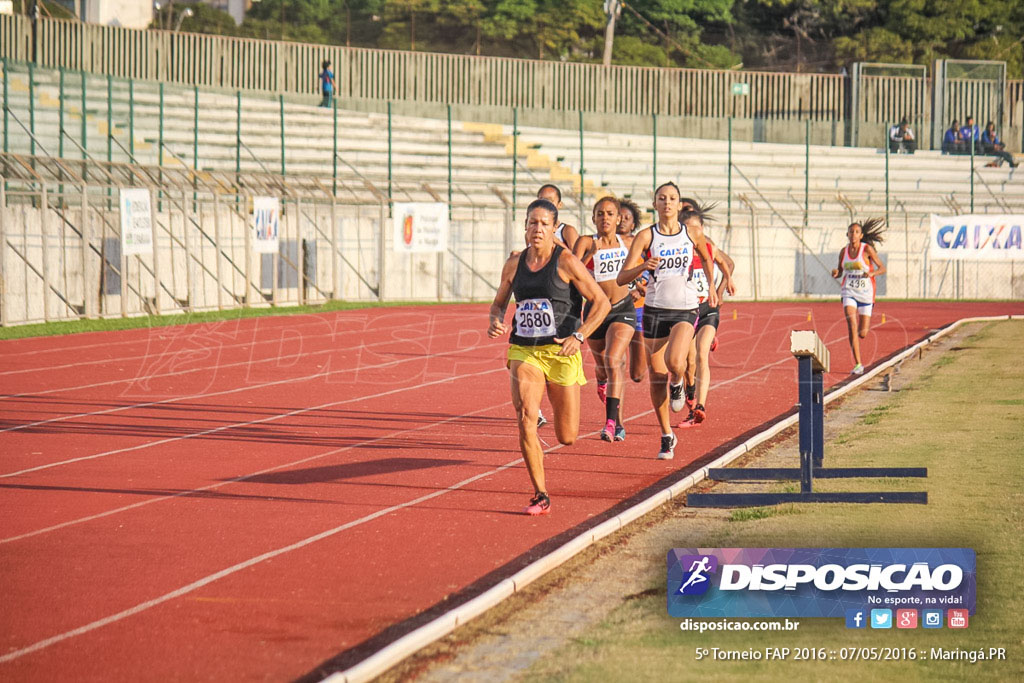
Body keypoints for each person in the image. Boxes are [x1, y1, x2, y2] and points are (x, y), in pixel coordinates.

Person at [488, 198, 610, 515]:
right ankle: (540, 494)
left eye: (544, 223)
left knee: (566, 436)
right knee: (526, 416)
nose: (537, 228)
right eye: (532, 222)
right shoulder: (514, 263)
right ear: (525, 226)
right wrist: (496, 319)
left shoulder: (567, 261)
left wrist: (579, 335)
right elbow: (499, 302)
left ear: (555, 228)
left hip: (561, 351)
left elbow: (601, 303)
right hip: (524, 349)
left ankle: (557, 424)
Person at [616, 182, 717, 460]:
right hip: (654, 310)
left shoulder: (692, 233)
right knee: (656, 376)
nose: (667, 203)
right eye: (662, 198)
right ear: (655, 204)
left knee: (675, 362)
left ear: (678, 203)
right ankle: (666, 435)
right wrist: (642, 267)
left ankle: (679, 383)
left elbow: (708, 259)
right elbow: (622, 278)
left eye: (672, 198)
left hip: (685, 307)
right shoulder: (646, 237)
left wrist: (711, 287)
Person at [574, 197, 635, 441]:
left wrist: (638, 283)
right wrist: (589, 254)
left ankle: (612, 423)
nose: (605, 218)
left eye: (610, 214)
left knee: (614, 360)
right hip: (595, 312)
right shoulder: (587, 242)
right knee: (602, 366)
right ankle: (602, 382)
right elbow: (570, 269)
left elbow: (633, 269)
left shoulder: (628, 242)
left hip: (623, 308)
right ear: (593, 218)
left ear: (619, 218)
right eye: (600, 214)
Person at [679, 225, 735, 427]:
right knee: (687, 362)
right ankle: (690, 392)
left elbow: (727, 263)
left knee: (701, 354)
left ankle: (700, 406)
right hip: (687, 310)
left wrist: (724, 285)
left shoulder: (709, 246)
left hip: (708, 309)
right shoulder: (680, 250)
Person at [830, 218, 886, 375]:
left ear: (861, 235)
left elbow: (882, 268)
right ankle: (858, 364)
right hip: (849, 291)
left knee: (863, 333)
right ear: (847, 234)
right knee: (851, 325)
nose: (853, 234)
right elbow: (841, 270)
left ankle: (859, 355)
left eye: (856, 232)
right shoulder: (844, 251)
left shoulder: (867, 250)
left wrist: (872, 273)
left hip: (866, 294)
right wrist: (836, 273)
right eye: (851, 232)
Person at [617, 197, 647, 384]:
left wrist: (641, 288)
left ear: (633, 223)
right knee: (615, 358)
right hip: (614, 307)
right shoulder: (603, 244)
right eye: (618, 216)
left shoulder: (641, 243)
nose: (621, 221)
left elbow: (653, 270)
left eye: (626, 218)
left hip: (638, 307)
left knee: (638, 374)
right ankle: (613, 397)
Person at [537, 184, 579, 251]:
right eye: (541, 200)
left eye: (550, 201)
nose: (545, 204)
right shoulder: (533, 232)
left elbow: (577, 259)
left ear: (559, 205)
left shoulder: (567, 231)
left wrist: (557, 242)